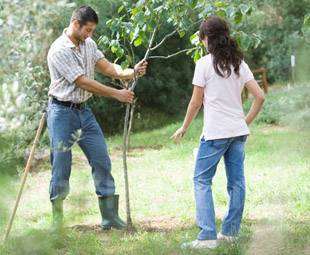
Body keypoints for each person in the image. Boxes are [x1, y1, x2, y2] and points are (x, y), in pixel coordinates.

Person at [46, 5, 147, 230]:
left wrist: (130, 72)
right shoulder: (59, 50)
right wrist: (117, 94)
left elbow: (108, 68)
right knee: (61, 165)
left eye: (92, 30)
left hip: (84, 111)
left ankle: (109, 217)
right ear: (75, 24)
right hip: (61, 113)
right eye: (88, 30)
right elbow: (82, 81)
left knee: (101, 159)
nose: (90, 34)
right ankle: (57, 222)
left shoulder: (88, 44)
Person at [172, 16, 265, 249]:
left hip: (215, 134)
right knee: (237, 182)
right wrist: (245, 122)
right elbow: (260, 96)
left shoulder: (204, 64)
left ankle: (207, 237)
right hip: (237, 133)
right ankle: (230, 233)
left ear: (207, 38)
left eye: (202, 38)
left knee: (201, 180)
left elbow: (195, 103)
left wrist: (184, 127)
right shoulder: (239, 64)